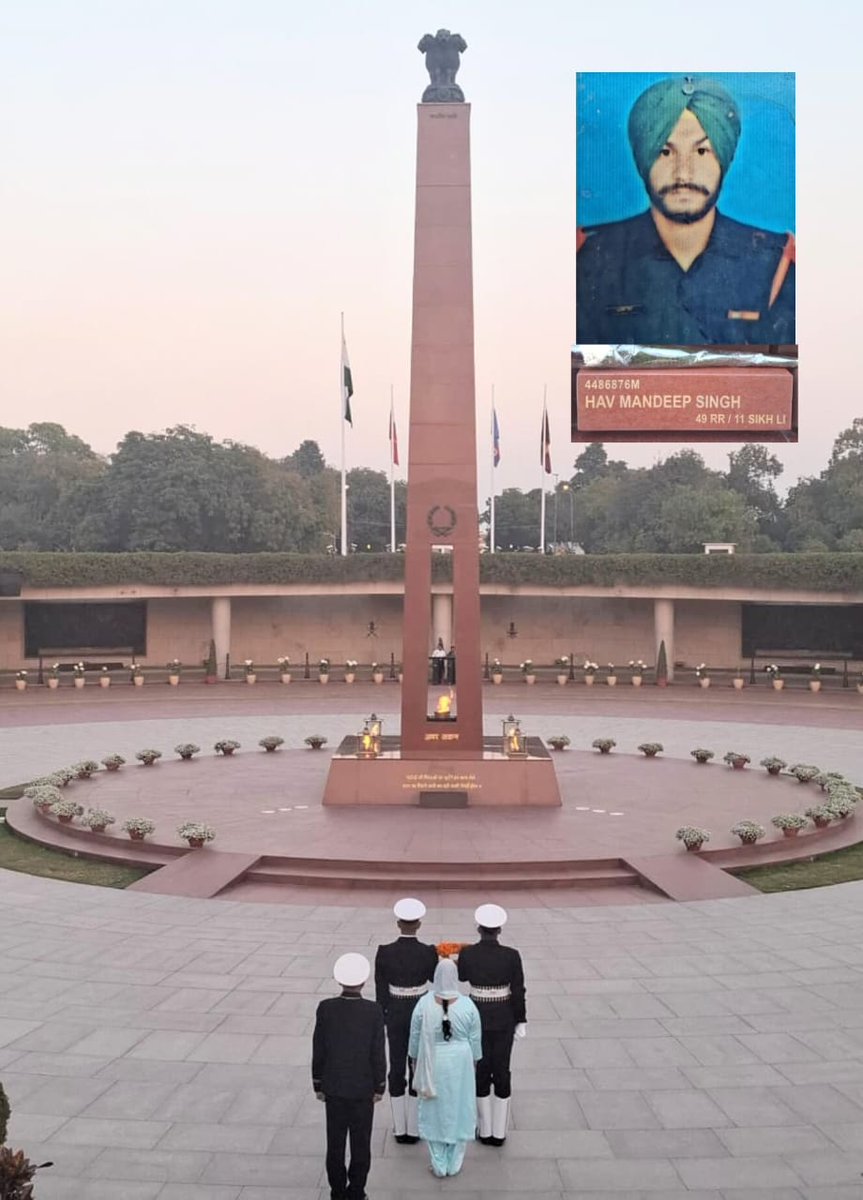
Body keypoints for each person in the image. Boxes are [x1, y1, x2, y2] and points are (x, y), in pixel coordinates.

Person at [576, 75, 795, 345]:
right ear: (642, 159)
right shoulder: (587, 260)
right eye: (665, 152)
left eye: (702, 152)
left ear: (723, 159)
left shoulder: (776, 263)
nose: (683, 173)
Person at [312, 953, 386, 1200]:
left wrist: (318, 1082)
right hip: (363, 1087)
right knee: (360, 1143)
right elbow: (377, 1052)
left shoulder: (326, 1008)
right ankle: (357, 1191)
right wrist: (380, 1084)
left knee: (335, 1143)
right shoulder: (374, 1011)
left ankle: (337, 1191)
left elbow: (319, 1048)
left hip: (334, 1086)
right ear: (364, 982)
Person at [456, 903, 526, 1146]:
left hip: (477, 1014)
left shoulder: (468, 954)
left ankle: (483, 1129)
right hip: (505, 1015)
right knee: (502, 1069)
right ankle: (499, 1132)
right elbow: (518, 990)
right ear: (499, 930)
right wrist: (521, 1019)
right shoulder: (511, 955)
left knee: (482, 1069)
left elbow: (463, 977)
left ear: (479, 928)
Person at [408, 957, 482, 1178]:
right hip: (460, 1061)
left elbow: (415, 1035)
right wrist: (475, 1061)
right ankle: (454, 1162)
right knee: (460, 1107)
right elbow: (475, 1038)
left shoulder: (424, 1003)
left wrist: (413, 1058)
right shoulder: (468, 1004)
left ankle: (438, 1162)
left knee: (433, 1110)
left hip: (433, 1060)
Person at [374, 897, 439, 1145]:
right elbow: (434, 979)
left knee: (397, 1065)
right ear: (419, 924)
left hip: (396, 1011)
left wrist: (383, 1016)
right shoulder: (427, 952)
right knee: (418, 1065)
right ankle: (414, 1126)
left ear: (398, 923)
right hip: (419, 1010)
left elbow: (381, 988)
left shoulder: (385, 952)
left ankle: (400, 1127)